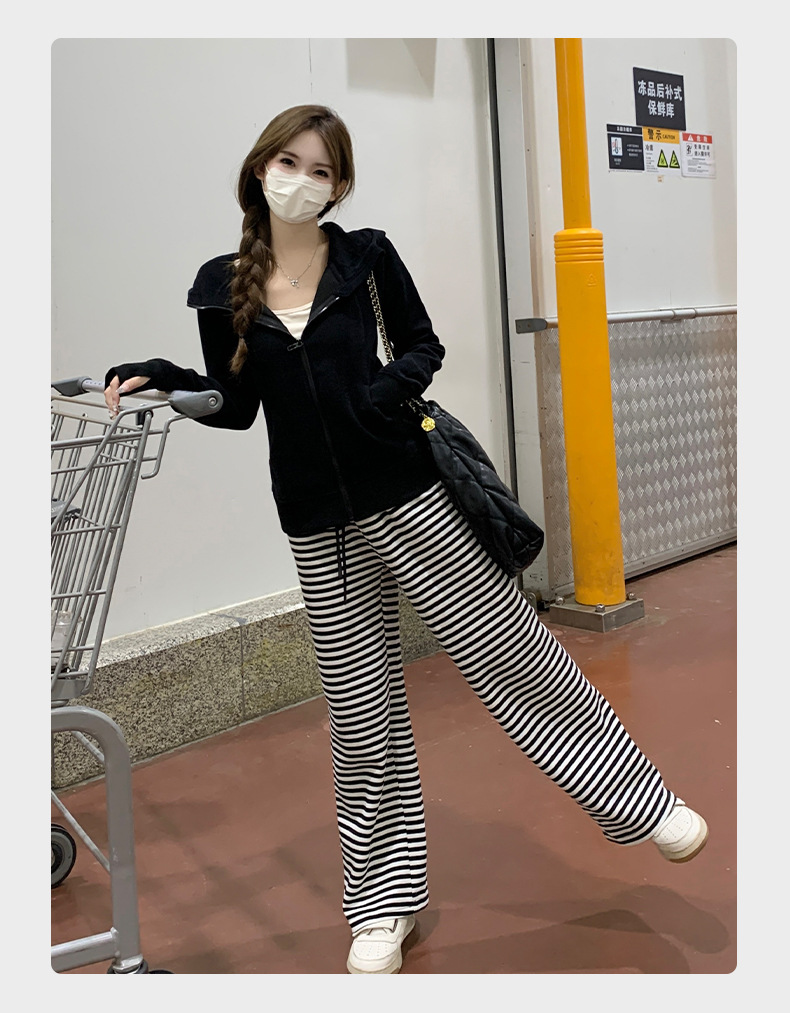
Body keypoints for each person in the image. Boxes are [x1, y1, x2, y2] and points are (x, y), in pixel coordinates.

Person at [104, 104, 708, 975]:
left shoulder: (366, 256)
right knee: (360, 716)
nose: (301, 181)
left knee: (512, 653)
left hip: (411, 494)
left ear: (339, 185)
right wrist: (165, 377)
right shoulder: (221, 283)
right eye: (288, 162)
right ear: (259, 168)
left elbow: (423, 345)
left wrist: (381, 395)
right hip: (317, 521)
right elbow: (237, 407)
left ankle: (642, 803)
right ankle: (383, 905)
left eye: (321, 170)